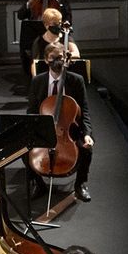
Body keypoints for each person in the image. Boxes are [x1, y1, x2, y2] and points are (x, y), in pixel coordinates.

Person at [26, 44, 94, 202]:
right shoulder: (38, 81)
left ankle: (81, 184)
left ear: (66, 59)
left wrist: (87, 134)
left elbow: (84, 110)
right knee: (24, 148)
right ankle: (38, 183)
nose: (57, 61)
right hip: (45, 127)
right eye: (53, 58)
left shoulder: (76, 80)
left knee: (87, 148)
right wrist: (36, 130)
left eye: (61, 58)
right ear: (46, 59)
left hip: (69, 128)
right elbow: (32, 110)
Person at [17, 0, 69, 75]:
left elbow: (68, 17)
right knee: (26, 46)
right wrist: (28, 4)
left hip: (55, 34)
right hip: (35, 35)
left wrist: (62, 25)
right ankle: (29, 74)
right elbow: (20, 16)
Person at [28, 7, 81, 76]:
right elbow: (34, 63)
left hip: (64, 73)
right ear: (46, 25)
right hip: (46, 75)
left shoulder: (66, 37)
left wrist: (62, 56)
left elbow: (76, 54)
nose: (58, 26)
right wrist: (36, 80)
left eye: (59, 23)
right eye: (55, 24)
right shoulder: (39, 41)